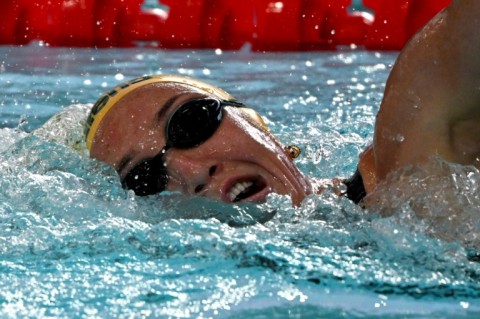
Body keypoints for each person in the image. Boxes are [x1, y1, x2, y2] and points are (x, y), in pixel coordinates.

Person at [85, 0, 479, 208]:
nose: (191, 172)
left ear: (256, 122)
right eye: (145, 179)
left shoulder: (412, 168)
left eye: (190, 122)